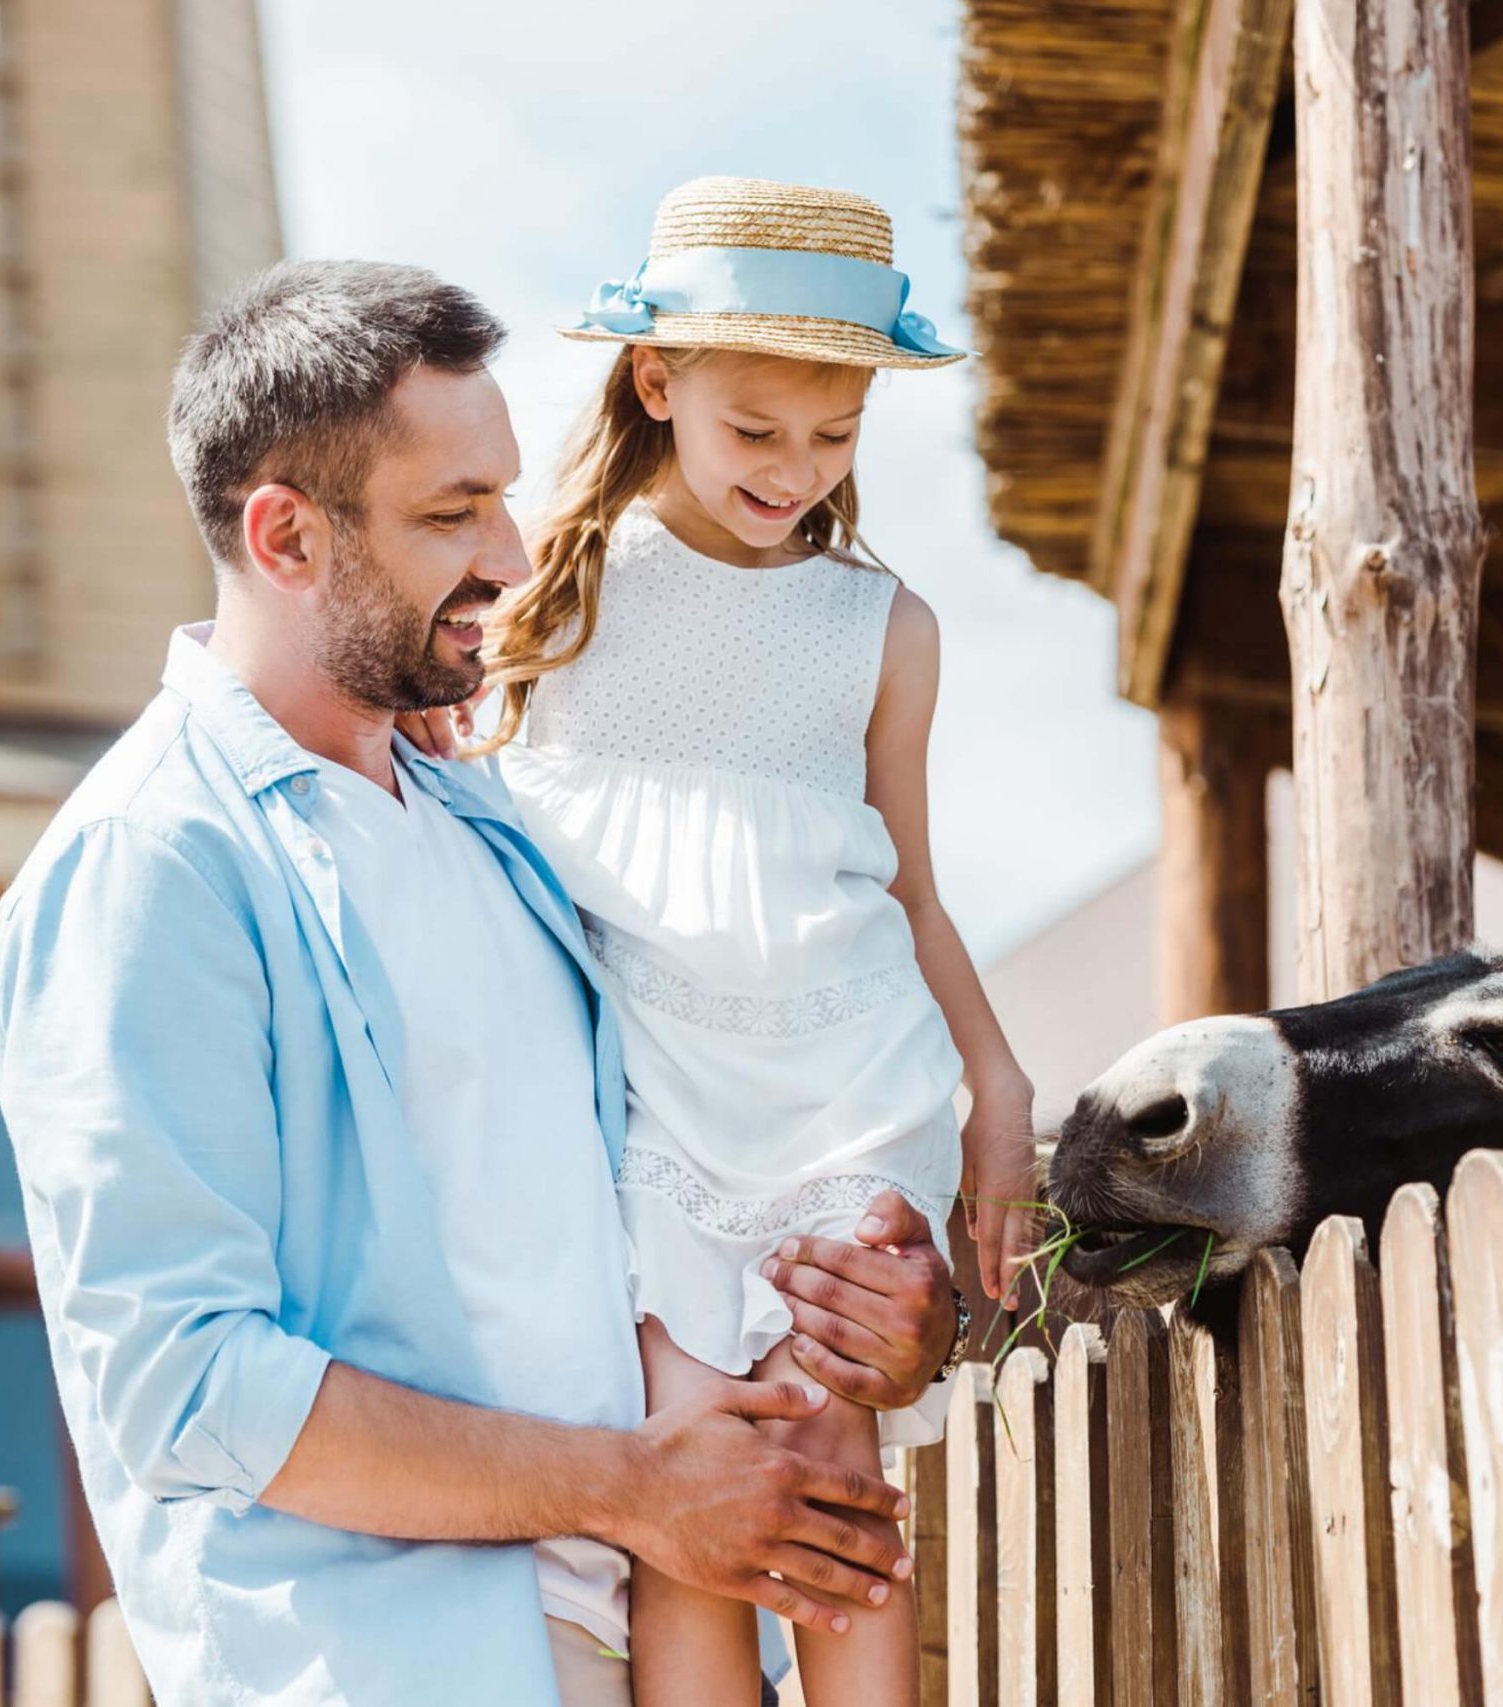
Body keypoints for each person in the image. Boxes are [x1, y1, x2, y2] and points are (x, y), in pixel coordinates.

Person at [0, 258, 968, 1707]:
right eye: (451, 515)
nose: (510, 553)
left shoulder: (494, 821)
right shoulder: (152, 866)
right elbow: (180, 1385)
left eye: (501, 495)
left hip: (644, 1645)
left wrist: (887, 1308)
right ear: (286, 537)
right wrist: (630, 1487)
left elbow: (711, 1130)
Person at [449, 176, 1037, 1705]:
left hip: (853, 1089)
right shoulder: (548, 603)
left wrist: (1000, 1096)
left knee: (836, 1464)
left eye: (833, 435)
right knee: (692, 1496)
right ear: (659, 382)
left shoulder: (882, 626)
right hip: (657, 1099)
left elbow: (909, 887)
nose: (796, 470)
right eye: (754, 431)